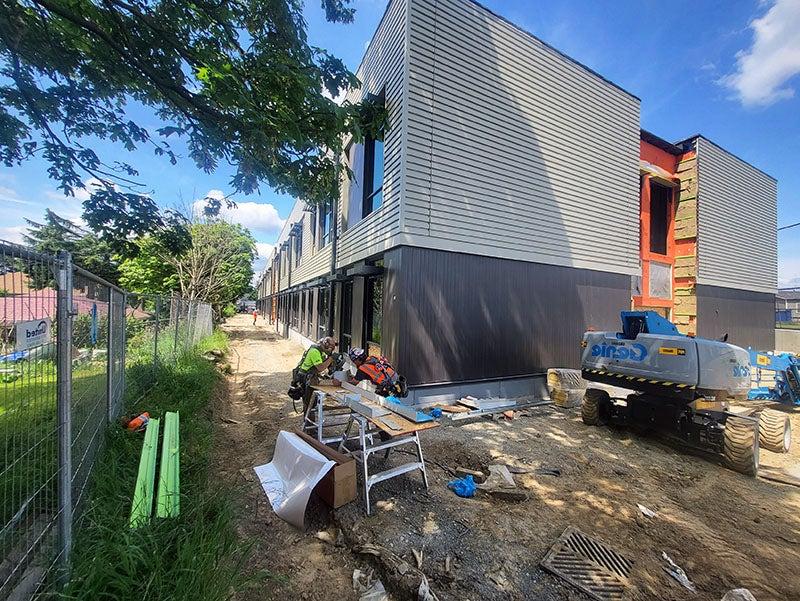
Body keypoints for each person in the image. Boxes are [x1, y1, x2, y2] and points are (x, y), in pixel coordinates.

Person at [290, 336, 339, 411]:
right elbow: (320, 367)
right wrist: (331, 358)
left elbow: (322, 365)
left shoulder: (320, 351)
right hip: (305, 377)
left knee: (314, 401)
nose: (330, 352)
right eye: (330, 349)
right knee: (309, 401)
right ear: (325, 344)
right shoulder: (315, 351)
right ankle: (307, 421)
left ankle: (310, 418)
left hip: (310, 376)